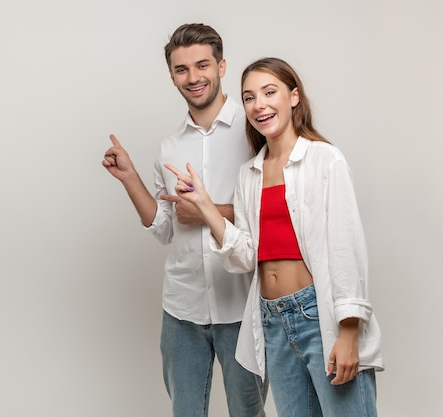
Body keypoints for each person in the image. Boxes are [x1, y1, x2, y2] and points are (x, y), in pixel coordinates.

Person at [165, 57, 384, 417]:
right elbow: (245, 256)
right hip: (272, 322)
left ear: (294, 97)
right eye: (249, 97)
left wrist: (348, 331)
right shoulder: (250, 174)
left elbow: (347, 248)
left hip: (319, 317)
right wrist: (204, 205)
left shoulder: (324, 160)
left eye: (270, 92)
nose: (259, 105)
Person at [101, 23, 267, 417]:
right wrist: (130, 177)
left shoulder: (255, 130)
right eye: (181, 69)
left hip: (240, 307)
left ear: (222, 66)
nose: (193, 77)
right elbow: (165, 228)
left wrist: (210, 212)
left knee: (248, 412)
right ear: (172, 75)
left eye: (202, 65)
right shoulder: (170, 145)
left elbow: (272, 213)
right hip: (182, 309)